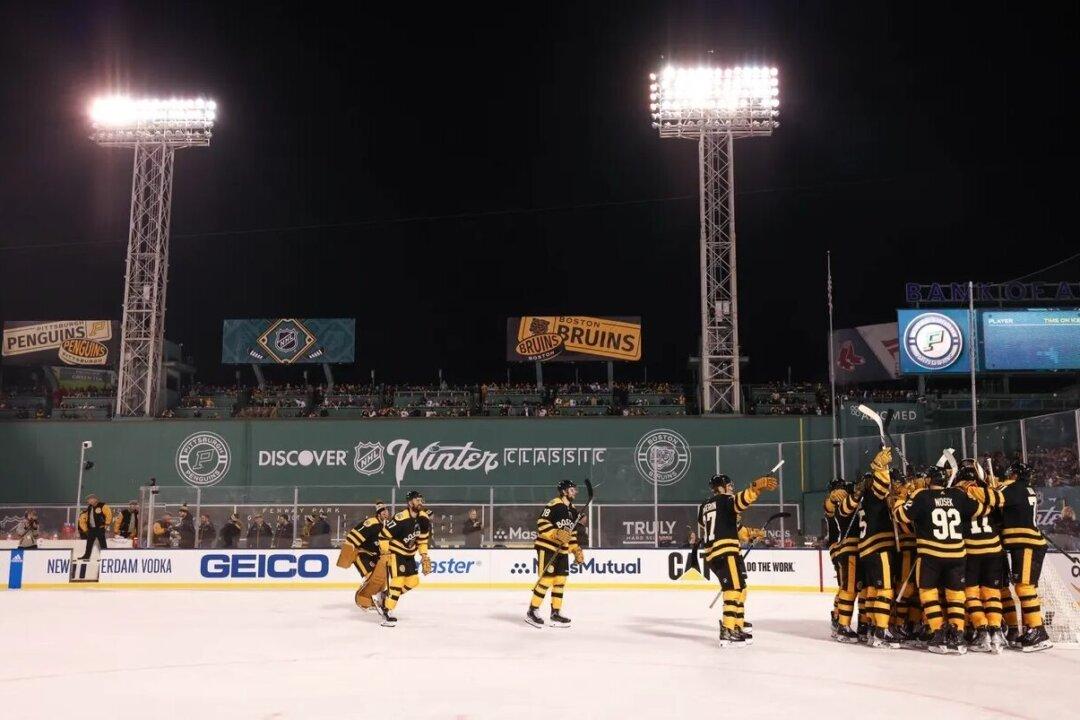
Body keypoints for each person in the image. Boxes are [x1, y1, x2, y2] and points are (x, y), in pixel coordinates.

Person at [893, 463, 999, 654]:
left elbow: (901, 516)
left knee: (929, 594)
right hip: (957, 555)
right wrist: (987, 491)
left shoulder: (921, 496)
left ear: (928, 481)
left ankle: (938, 633)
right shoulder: (957, 495)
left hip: (931, 555)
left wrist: (901, 497)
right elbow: (984, 511)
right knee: (956, 596)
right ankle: (957, 635)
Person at [697, 471, 777, 646]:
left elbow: (731, 527)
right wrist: (756, 487)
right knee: (733, 589)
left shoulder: (705, 506)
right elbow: (741, 501)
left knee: (741, 589)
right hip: (725, 551)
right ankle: (728, 629)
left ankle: (737, 625)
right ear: (720, 488)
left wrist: (751, 533)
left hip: (716, 553)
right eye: (729, 486)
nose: (732, 489)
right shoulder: (725, 500)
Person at [1000, 461, 1053, 652]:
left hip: (1027, 545)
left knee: (1024, 587)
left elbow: (995, 498)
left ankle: (1037, 631)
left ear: (1015, 475)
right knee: (1027, 587)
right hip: (1028, 544)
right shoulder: (1025, 489)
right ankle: (1033, 629)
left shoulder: (1015, 489)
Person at [955, 462, 1007, 653]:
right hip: (994, 549)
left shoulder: (959, 493)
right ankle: (996, 631)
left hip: (972, 551)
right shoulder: (989, 492)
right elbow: (999, 504)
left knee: (972, 594)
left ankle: (982, 629)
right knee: (992, 592)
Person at [525, 480, 583, 629]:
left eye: (574, 490)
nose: (574, 492)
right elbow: (541, 522)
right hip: (547, 547)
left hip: (562, 550)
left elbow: (572, 533)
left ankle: (555, 612)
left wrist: (575, 549)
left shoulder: (574, 510)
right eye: (571, 489)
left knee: (560, 580)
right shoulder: (554, 504)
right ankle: (532, 611)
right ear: (563, 491)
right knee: (546, 580)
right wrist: (555, 533)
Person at [376, 491, 432, 627]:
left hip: (409, 554)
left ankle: (386, 596)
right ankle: (387, 609)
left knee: (413, 581)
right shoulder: (400, 518)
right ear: (410, 502)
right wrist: (385, 553)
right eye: (417, 500)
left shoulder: (424, 518)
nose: (420, 502)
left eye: (421, 500)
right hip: (395, 553)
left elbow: (423, 540)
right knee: (398, 580)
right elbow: (383, 536)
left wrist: (424, 555)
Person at [823, 477, 859, 643]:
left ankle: (837, 617)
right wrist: (831, 498)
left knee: (846, 584)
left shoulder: (846, 501)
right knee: (847, 585)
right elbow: (828, 507)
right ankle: (839, 619)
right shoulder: (833, 503)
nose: (840, 489)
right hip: (839, 547)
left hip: (843, 546)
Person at [338, 502, 391, 610]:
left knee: (382, 580)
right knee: (372, 577)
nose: (386, 513)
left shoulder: (384, 526)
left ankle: (371, 600)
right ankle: (362, 599)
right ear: (378, 513)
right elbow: (354, 535)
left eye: (387, 511)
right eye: (383, 511)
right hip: (361, 554)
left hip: (373, 557)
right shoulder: (371, 522)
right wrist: (348, 548)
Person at [78, 494, 112, 560]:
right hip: (91, 529)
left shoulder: (103, 506)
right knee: (89, 544)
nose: (88, 500)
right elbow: (85, 517)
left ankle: (105, 557)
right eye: (88, 499)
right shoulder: (90, 507)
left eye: (89, 499)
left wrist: (106, 525)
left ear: (95, 499)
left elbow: (109, 514)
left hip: (100, 528)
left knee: (102, 543)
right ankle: (86, 556)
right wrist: (86, 529)